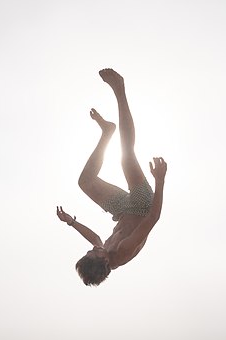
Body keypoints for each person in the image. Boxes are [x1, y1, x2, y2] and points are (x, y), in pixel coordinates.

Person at [56, 68, 167, 286]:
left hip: (121, 209)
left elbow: (96, 239)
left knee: (85, 182)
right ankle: (120, 90)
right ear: (105, 263)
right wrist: (160, 180)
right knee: (126, 155)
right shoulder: (123, 251)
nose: (94, 249)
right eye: (93, 253)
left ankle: (107, 132)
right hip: (143, 206)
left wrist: (71, 222)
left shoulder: (103, 251)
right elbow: (153, 219)